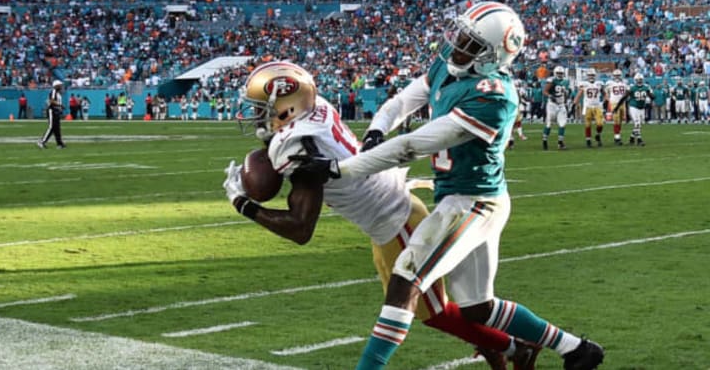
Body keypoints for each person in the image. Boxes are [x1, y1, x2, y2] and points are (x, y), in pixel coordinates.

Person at [288, 2, 604, 370]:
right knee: (477, 307)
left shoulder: (493, 96)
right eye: (459, 35)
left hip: (474, 201)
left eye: (469, 43)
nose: (456, 46)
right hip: (469, 198)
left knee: (406, 279)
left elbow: (413, 145)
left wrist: (338, 169)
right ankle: (578, 349)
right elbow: (405, 100)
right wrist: (376, 129)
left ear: (492, 56)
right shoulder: (449, 67)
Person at [223, 61, 540, 370]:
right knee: (433, 311)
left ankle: (515, 347)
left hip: (396, 220)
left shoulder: (297, 144)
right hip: (386, 222)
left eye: (261, 107)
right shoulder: (314, 108)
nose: (255, 115)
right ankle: (508, 349)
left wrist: (243, 204)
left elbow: (300, 229)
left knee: (434, 313)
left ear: (288, 105)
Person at [612, 73, 654, 146]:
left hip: (642, 107)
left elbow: (652, 97)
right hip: (633, 107)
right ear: (635, 80)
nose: (639, 81)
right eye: (638, 80)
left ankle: (631, 138)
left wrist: (650, 95)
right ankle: (639, 140)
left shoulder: (646, 87)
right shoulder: (632, 87)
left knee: (639, 125)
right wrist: (617, 107)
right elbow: (624, 97)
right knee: (637, 123)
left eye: (640, 80)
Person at [542, 65, 571, 150]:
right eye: (558, 73)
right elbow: (545, 91)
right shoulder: (552, 80)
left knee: (562, 123)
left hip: (561, 104)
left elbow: (565, 93)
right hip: (552, 104)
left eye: (561, 73)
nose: (559, 74)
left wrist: (566, 102)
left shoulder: (566, 81)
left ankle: (560, 142)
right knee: (549, 123)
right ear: (555, 73)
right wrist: (550, 96)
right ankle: (544, 140)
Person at [573, 68, 604, 148]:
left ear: (595, 75)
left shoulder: (599, 83)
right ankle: (588, 140)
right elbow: (579, 94)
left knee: (600, 123)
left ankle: (598, 135)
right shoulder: (584, 84)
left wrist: (606, 102)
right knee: (587, 124)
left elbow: (605, 94)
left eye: (592, 75)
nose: (591, 76)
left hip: (597, 105)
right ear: (587, 76)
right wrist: (574, 103)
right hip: (587, 106)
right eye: (590, 75)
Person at [37, 80, 66, 149]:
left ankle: (59, 144)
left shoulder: (58, 93)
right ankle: (41, 141)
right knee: (51, 127)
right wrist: (60, 105)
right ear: (56, 86)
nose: (61, 86)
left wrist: (60, 108)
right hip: (52, 110)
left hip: (56, 111)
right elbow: (52, 100)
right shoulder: (54, 91)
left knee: (57, 128)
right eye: (60, 85)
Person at [604, 69, 629, 145]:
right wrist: (608, 100)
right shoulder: (610, 83)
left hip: (622, 103)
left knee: (621, 120)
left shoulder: (624, 83)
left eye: (618, 75)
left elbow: (626, 93)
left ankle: (618, 136)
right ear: (613, 76)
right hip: (614, 103)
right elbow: (606, 93)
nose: (617, 77)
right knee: (616, 120)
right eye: (616, 75)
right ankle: (617, 137)